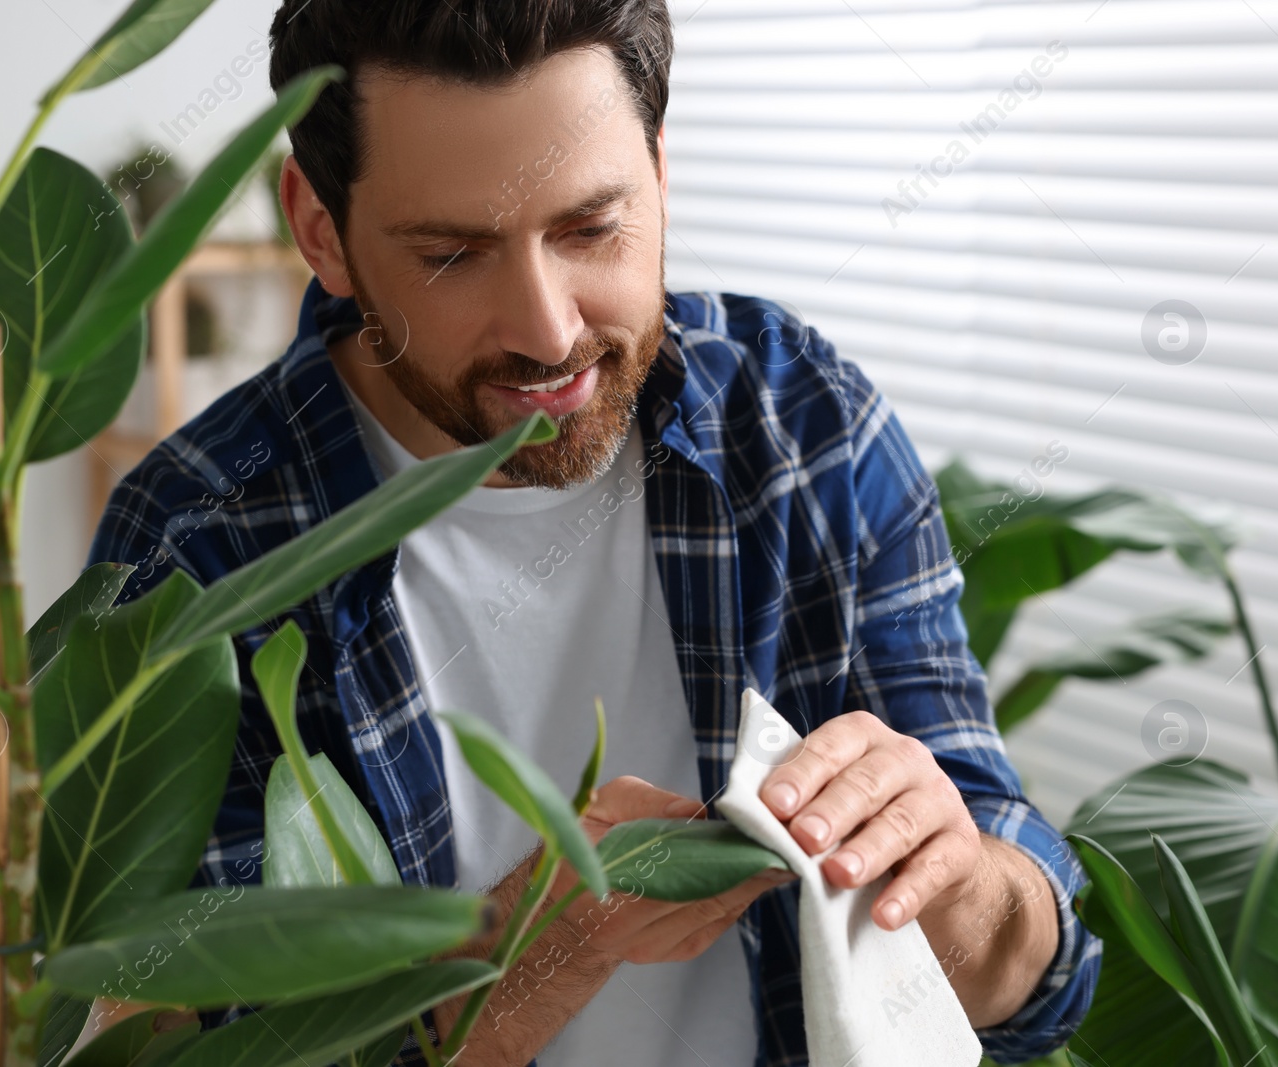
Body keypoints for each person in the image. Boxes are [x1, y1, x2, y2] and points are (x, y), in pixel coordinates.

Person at [85, 2, 1101, 1064]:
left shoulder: (805, 422)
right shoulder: (191, 545)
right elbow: (207, 1040)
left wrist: (961, 877)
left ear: (659, 170)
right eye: (451, 253)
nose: (549, 328)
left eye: (590, 228)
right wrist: (531, 951)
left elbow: (1038, 987)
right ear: (319, 230)